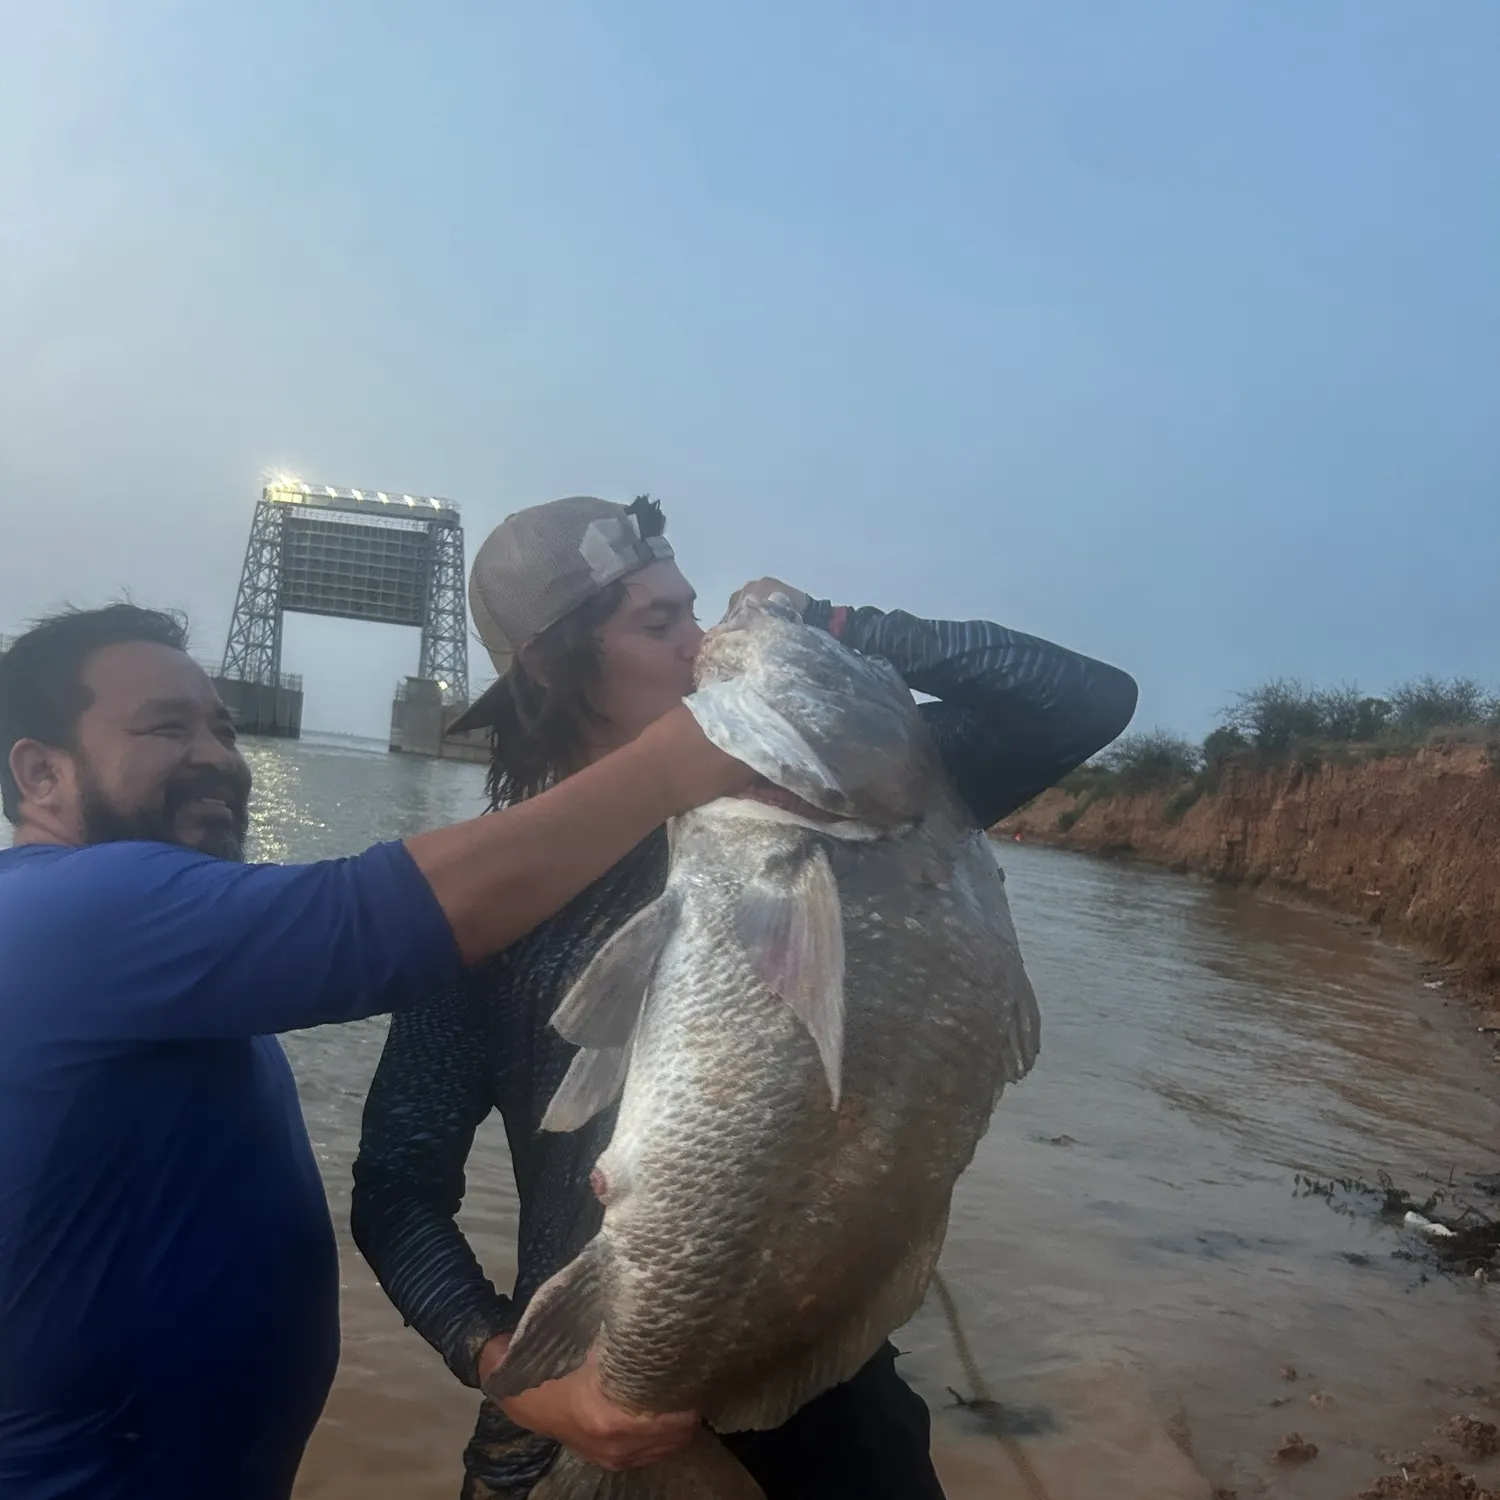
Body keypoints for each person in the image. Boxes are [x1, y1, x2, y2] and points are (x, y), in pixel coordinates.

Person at [351, 494, 1139, 1498]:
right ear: (551, 666)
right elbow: (397, 1189)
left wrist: (832, 628)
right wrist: (506, 1371)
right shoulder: (496, 894)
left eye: (695, 607)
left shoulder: (848, 788)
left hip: (824, 1386)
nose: (702, 641)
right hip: (582, 1398)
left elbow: (1084, 700)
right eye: (659, 623)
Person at [0, 601, 753, 1500]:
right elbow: (368, 926)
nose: (218, 755)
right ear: (40, 773)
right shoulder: (58, 915)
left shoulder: (151, 959)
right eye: (168, 727)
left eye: (223, 727)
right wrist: (686, 756)